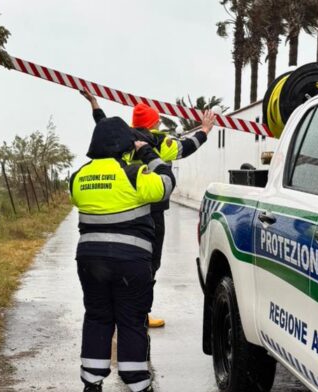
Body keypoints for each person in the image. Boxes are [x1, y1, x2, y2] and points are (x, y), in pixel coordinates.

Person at [80, 89, 217, 328]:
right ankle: (141, 313)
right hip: (152, 211)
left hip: (123, 207)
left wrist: (94, 103)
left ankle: (115, 311)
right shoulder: (159, 141)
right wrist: (205, 130)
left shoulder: (122, 137)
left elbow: (102, 122)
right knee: (148, 263)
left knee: (117, 260)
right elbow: (187, 146)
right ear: (154, 121)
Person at [69, 116, 176, 392]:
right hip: (130, 261)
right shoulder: (134, 172)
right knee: (130, 319)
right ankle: (139, 386)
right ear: (125, 146)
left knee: (97, 316)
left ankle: (91, 384)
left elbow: (79, 201)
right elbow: (166, 184)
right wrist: (147, 153)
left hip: (89, 260)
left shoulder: (78, 176)